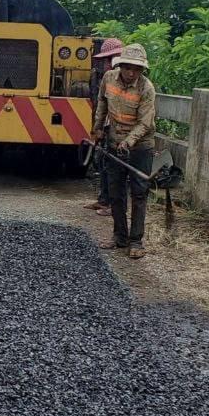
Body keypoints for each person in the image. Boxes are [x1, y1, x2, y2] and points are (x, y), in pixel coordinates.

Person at [92, 42, 156, 260]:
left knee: (139, 193)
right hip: (114, 142)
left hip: (140, 147)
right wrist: (98, 127)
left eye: (136, 69)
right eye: (128, 67)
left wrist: (128, 142)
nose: (131, 73)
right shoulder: (108, 78)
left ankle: (136, 240)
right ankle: (119, 236)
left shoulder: (146, 88)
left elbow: (145, 123)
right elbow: (102, 102)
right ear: (120, 66)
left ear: (142, 70)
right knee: (115, 192)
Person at [82, 37, 123, 217]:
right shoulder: (107, 79)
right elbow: (102, 106)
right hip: (108, 129)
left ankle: (114, 206)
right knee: (103, 164)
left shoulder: (127, 82)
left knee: (116, 170)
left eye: (108, 60)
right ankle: (104, 199)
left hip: (122, 133)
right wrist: (98, 129)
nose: (106, 64)